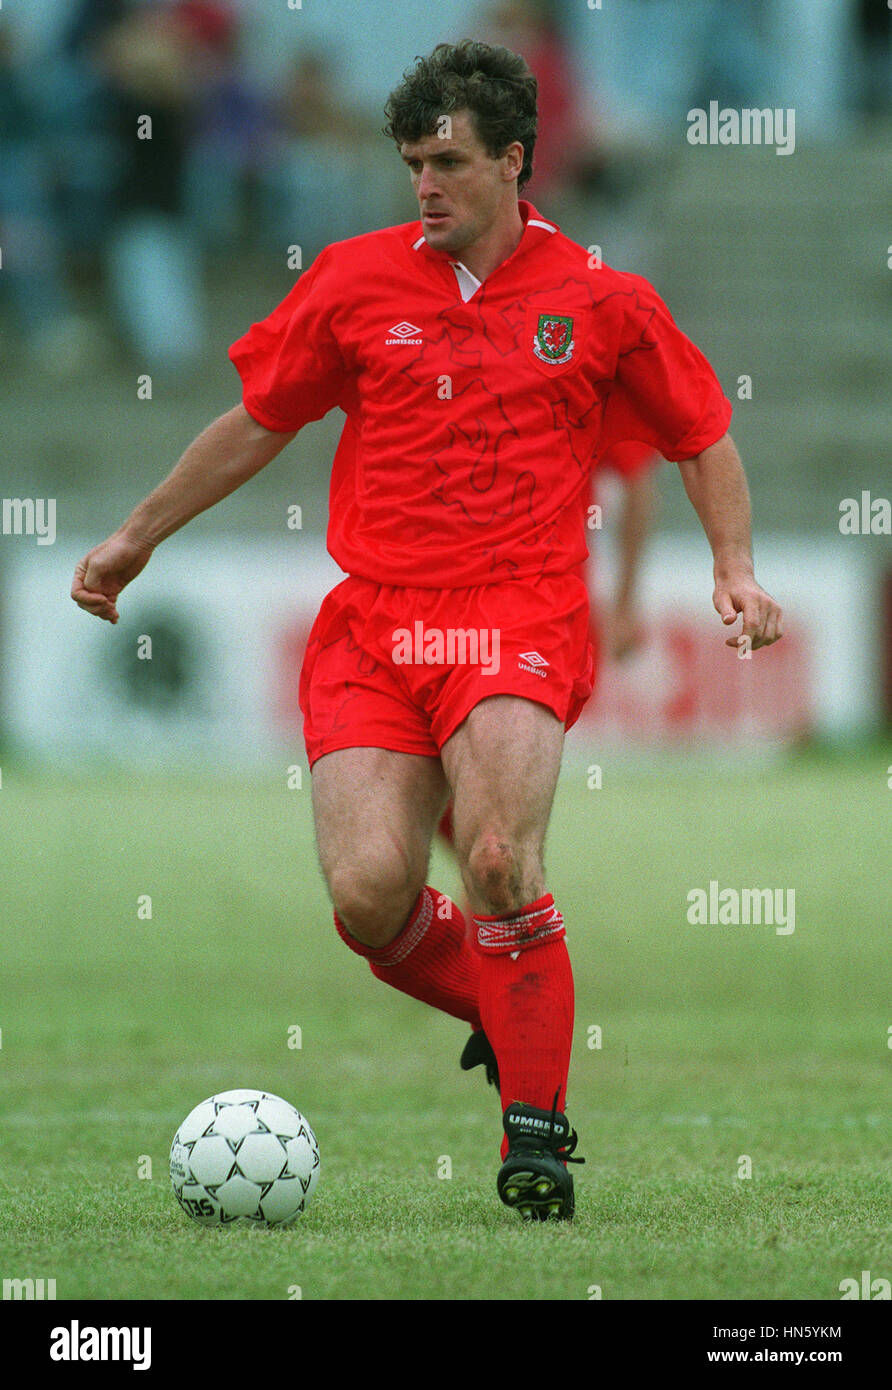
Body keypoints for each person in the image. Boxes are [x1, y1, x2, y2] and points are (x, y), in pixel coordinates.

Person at [71, 40, 783, 1222]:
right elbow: (257, 419)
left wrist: (734, 569)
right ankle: (507, 1010)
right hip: (373, 623)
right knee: (367, 893)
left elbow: (700, 433)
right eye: (411, 163)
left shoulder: (601, 299)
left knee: (497, 861)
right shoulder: (352, 280)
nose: (424, 184)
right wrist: (136, 536)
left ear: (513, 160)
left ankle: (534, 1132)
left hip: (518, 611)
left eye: (447, 161)